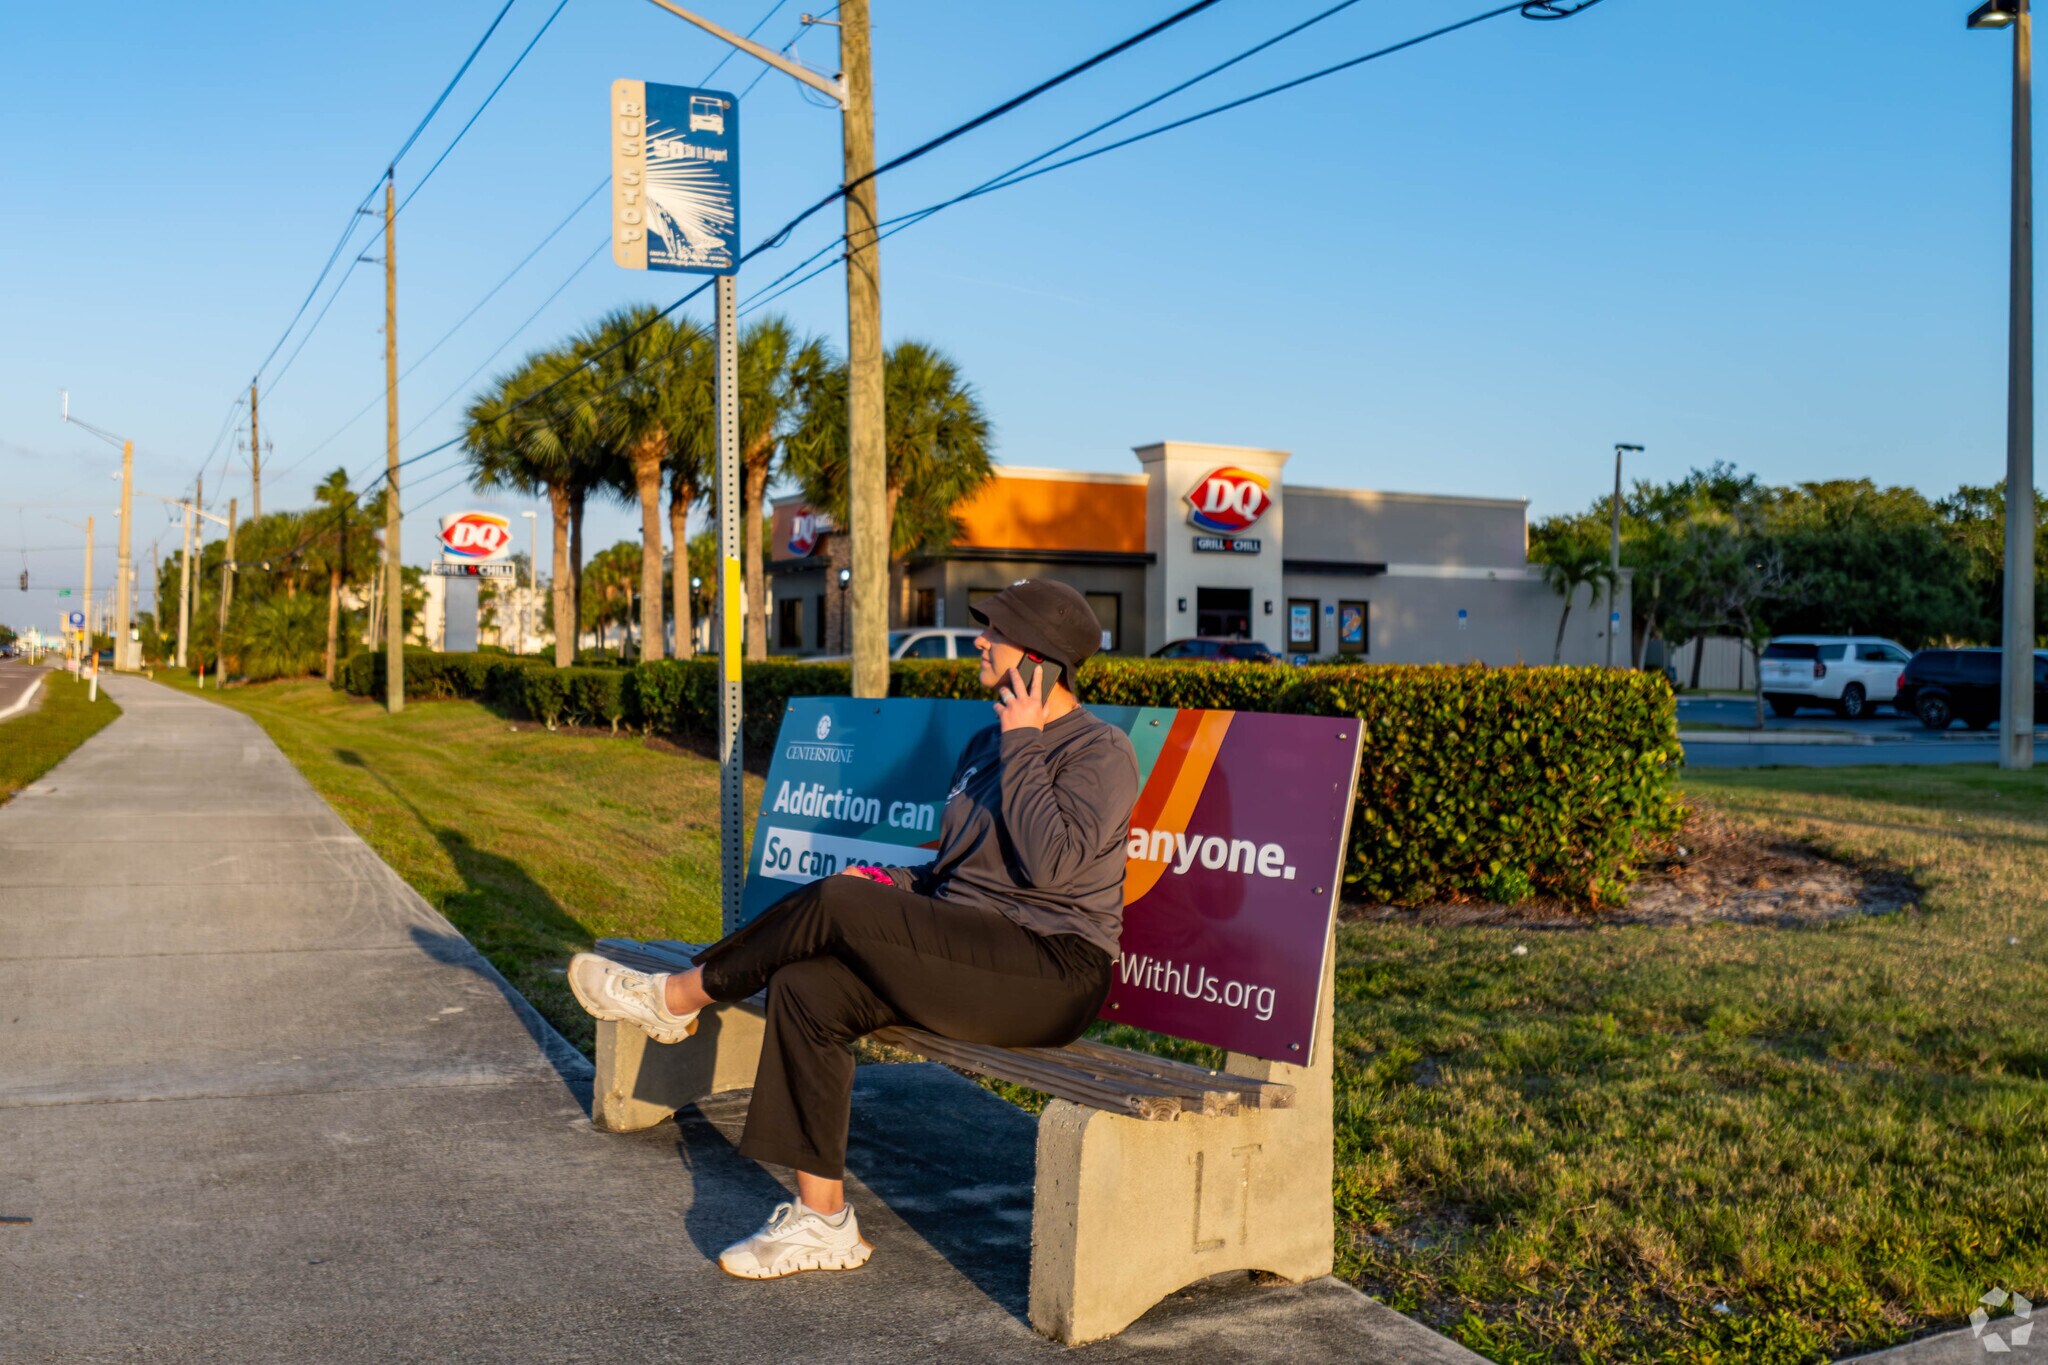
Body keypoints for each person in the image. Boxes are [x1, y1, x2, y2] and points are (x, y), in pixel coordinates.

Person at [566, 578, 1139, 1280]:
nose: (980, 641)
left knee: (835, 903)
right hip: (970, 950)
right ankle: (823, 1219)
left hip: (1052, 971)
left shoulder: (1098, 751)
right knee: (810, 986)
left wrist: (1023, 743)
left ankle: (677, 997)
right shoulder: (986, 746)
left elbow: (1053, 864)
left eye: (996, 630)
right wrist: (892, 884)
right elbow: (949, 875)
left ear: (1041, 657)